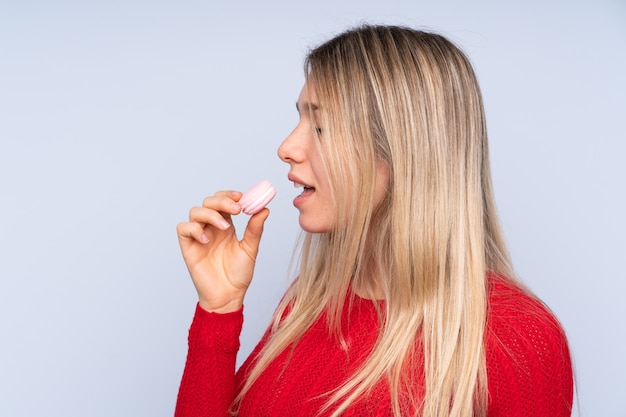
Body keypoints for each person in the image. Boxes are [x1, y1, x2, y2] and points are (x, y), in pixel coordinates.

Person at [174, 24, 573, 417]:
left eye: (320, 126)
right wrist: (219, 312)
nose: (287, 148)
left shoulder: (517, 339)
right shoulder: (306, 307)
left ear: (401, 150)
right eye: (300, 119)